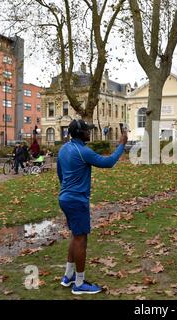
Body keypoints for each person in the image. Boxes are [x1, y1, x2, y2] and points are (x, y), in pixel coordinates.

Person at [57, 119, 127, 295]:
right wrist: (121, 146)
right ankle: (79, 284)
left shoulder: (64, 148)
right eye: (87, 130)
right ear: (81, 133)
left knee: (76, 235)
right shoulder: (83, 151)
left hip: (65, 198)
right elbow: (108, 162)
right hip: (76, 200)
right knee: (81, 240)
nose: (90, 132)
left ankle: (68, 276)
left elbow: (60, 173)